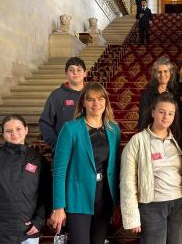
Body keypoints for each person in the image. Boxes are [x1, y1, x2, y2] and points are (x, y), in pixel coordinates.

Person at [49, 82, 121, 244]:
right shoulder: (70, 129)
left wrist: (116, 202)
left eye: (100, 99)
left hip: (104, 196)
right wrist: (59, 206)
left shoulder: (113, 129)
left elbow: (115, 168)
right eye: (90, 99)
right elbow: (59, 171)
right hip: (77, 195)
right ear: (83, 103)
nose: (96, 104)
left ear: (106, 102)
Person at [120, 93, 182, 244]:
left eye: (170, 113)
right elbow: (127, 181)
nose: (166, 117)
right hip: (152, 206)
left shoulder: (177, 140)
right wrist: (132, 218)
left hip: (179, 204)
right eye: (161, 112)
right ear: (152, 112)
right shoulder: (137, 141)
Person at [0, 115, 51, 244]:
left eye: (18, 129)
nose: (14, 133)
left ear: (26, 130)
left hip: (29, 231)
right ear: (3, 134)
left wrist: (39, 221)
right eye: (9, 131)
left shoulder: (38, 159)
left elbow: (46, 194)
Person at [39, 57, 87, 151]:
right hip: (64, 148)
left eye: (79, 70)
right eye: (71, 70)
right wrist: (56, 144)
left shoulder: (92, 93)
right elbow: (45, 122)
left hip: (89, 148)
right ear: (66, 73)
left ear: (85, 73)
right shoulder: (57, 95)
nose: (75, 73)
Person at [137, 56, 177, 131]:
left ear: (170, 73)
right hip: (151, 133)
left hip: (171, 133)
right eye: (159, 72)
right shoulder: (147, 94)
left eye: (165, 71)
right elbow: (142, 118)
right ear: (155, 75)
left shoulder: (175, 93)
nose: (162, 75)